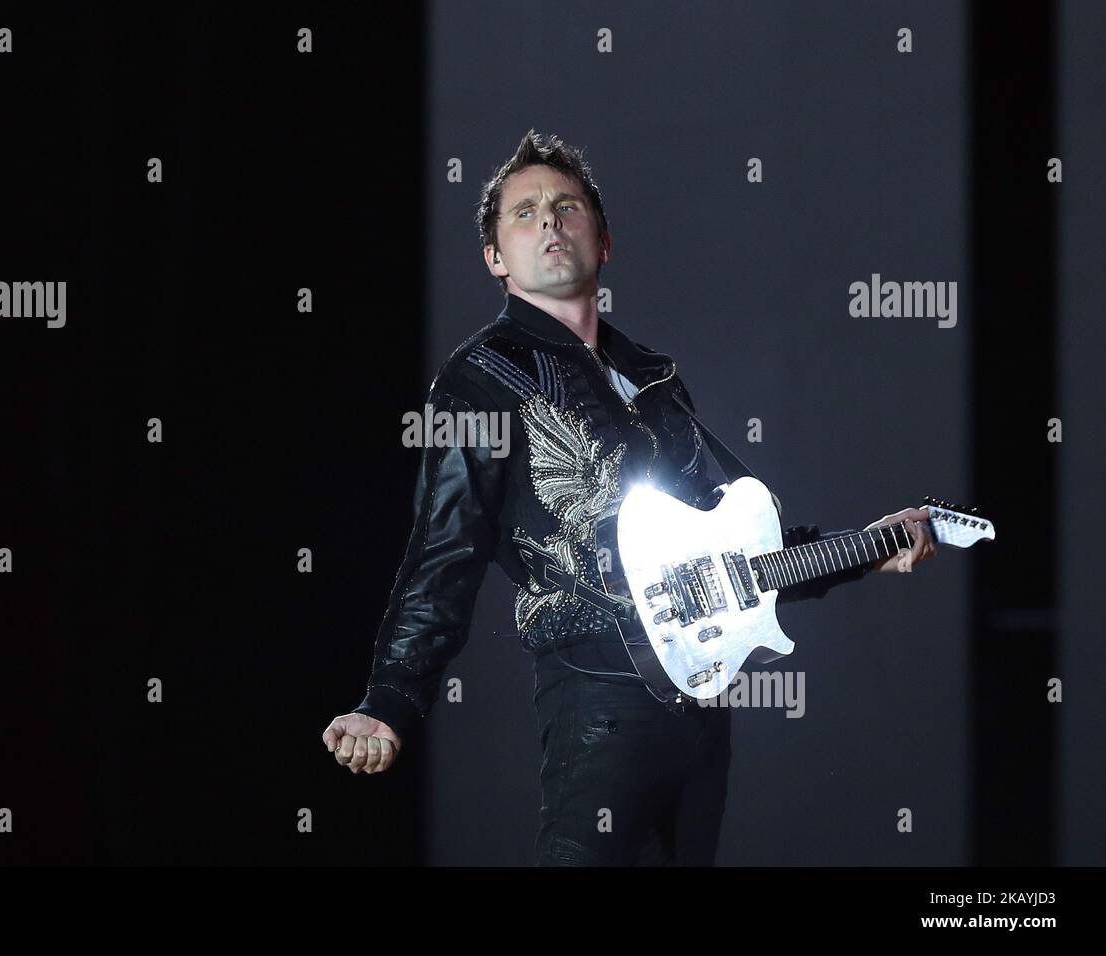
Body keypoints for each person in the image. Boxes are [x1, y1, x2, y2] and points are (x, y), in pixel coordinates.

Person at [321, 129, 936, 865]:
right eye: (524, 213)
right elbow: (442, 553)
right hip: (599, 699)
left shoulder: (653, 378)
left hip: (704, 705)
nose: (549, 221)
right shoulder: (478, 381)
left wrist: (868, 548)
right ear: (494, 258)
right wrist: (388, 699)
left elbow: (743, 547)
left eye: (566, 205)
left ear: (603, 241)